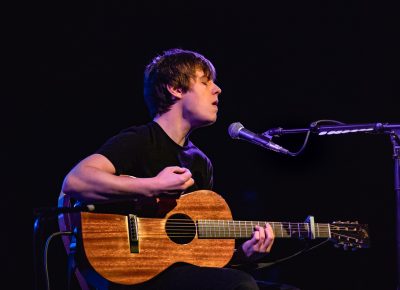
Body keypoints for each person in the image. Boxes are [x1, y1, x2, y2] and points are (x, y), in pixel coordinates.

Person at [61, 48, 279, 290]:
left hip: (176, 274)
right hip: (130, 273)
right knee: (240, 285)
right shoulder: (140, 140)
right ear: (175, 88)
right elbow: (75, 182)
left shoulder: (200, 162)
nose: (217, 89)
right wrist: (154, 185)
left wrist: (243, 255)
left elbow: (198, 253)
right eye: (206, 82)